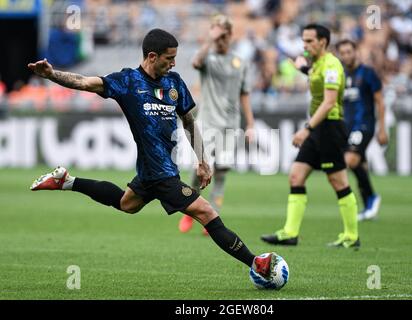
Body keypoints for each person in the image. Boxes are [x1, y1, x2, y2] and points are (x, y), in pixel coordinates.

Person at [28, 28, 276, 278]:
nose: (174, 63)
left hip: (153, 170)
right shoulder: (127, 81)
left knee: (128, 204)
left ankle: (67, 181)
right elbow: (84, 82)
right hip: (160, 173)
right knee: (207, 212)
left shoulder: (174, 82)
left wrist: (201, 160)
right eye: (169, 58)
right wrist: (52, 75)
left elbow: (188, 121)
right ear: (152, 56)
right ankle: (257, 264)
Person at [261, 24, 359, 248]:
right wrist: (303, 68)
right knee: (296, 175)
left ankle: (352, 236)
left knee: (337, 180)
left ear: (323, 42)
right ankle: (290, 233)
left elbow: (329, 102)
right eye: (303, 41)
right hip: (318, 128)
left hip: (329, 127)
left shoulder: (332, 64)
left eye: (309, 41)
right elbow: (314, 76)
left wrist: (307, 129)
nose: (304, 45)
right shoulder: (317, 64)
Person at [178, 14, 255, 235]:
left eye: (223, 35)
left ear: (230, 35)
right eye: (217, 34)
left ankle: (212, 217)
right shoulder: (207, 58)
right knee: (200, 167)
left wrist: (250, 123)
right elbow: (195, 62)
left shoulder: (240, 63)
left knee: (221, 171)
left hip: (231, 125)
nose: (220, 39)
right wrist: (210, 40)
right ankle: (188, 209)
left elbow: (245, 94)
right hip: (208, 122)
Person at [336, 39, 388, 221]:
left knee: (349, 160)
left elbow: (380, 101)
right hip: (347, 128)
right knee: (359, 165)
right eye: (342, 53)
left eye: (349, 51)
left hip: (364, 125)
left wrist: (382, 129)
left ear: (356, 52)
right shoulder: (340, 75)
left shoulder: (368, 73)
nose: (345, 56)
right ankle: (368, 204)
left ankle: (372, 198)